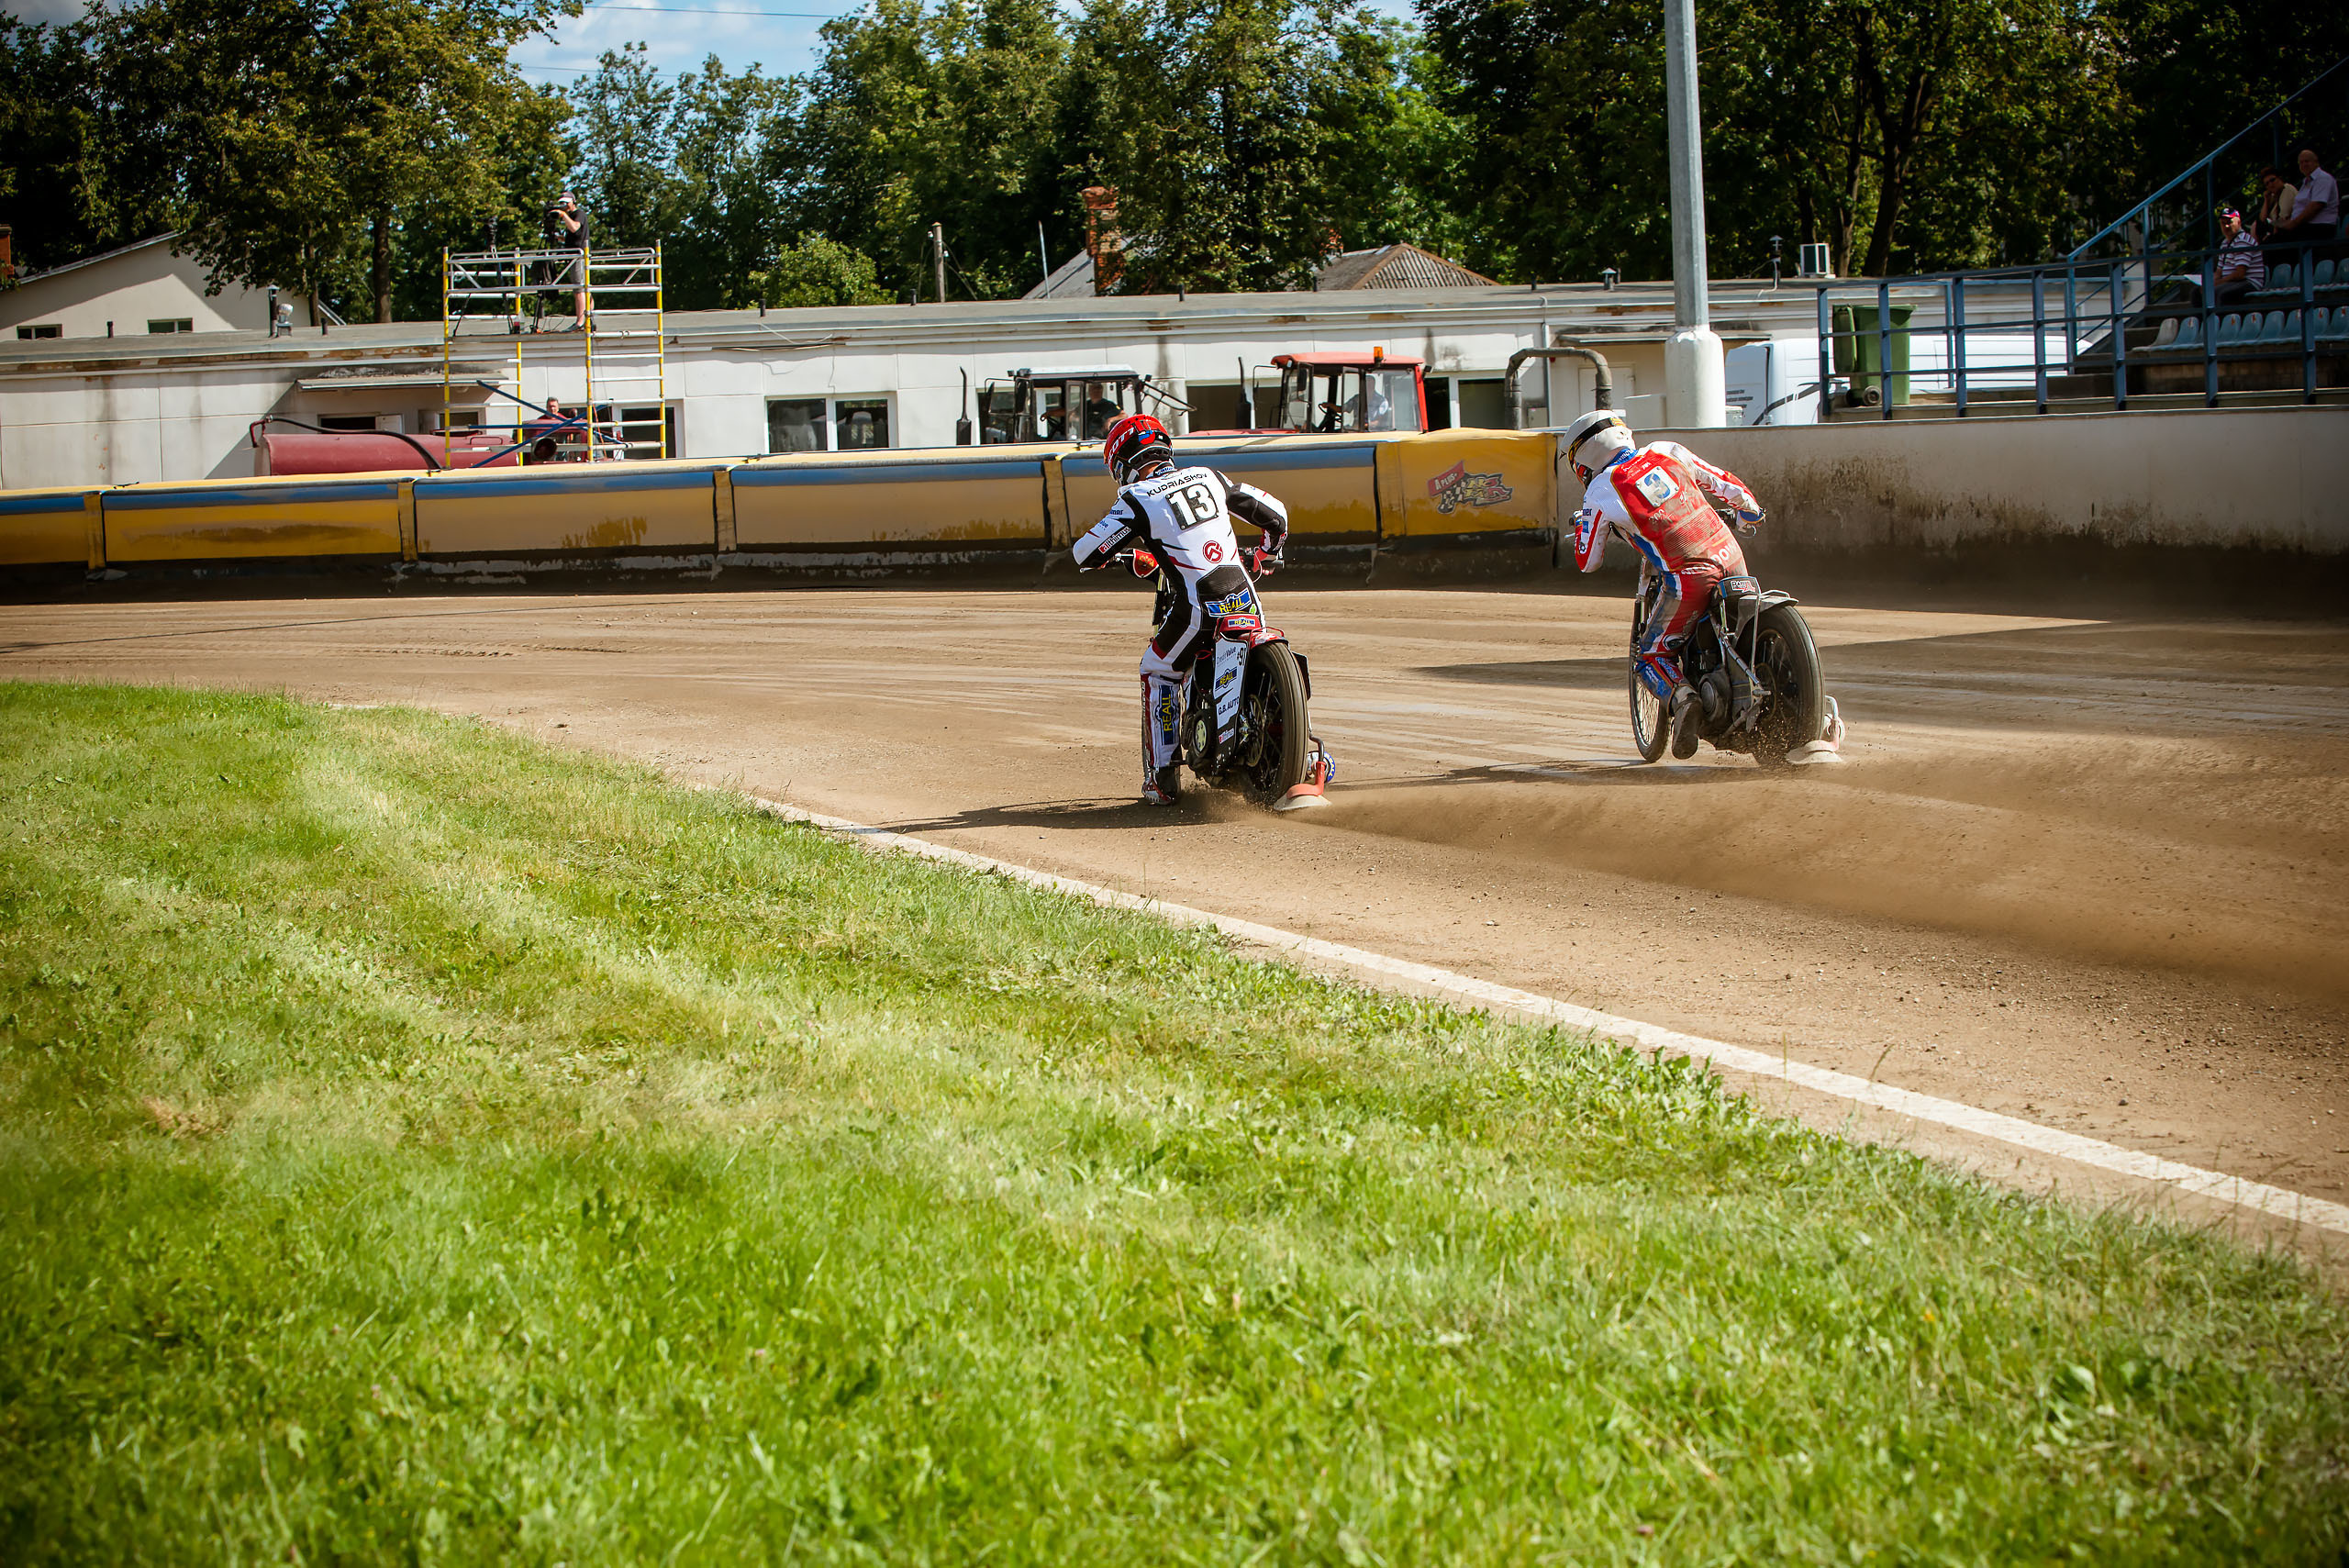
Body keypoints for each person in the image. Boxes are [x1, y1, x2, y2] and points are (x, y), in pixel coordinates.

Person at [1072, 413, 1290, 806]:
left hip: (1197, 606)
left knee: (1156, 669)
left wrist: (1114, 552)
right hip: (1245, 596)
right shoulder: (1209, 476)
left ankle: (1161, 780)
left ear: (1122, 465)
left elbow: (1085, 552)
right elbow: (1277, 515)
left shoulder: (1136, 498)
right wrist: (1265, 555)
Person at [1561, 408, 1765, 759]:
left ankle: (1685, 699)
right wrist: (1750, 514)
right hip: (1732, 555)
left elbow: (1588, 561)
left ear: (1582, 461)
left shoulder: (1600, 488)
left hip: (1688, 576)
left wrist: (1587, 524)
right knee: (1745, 631)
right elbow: (1724, 483)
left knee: (1650, 656)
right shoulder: (1667, 450)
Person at [2275, 147, 2339, 252]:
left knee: (2276, 243)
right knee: (2272, 239)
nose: (2303, 165)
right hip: (2304, 227)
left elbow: (2316, 206)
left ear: (2316, 162)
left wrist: (2293, 224)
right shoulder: (2306, 182)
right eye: (2301, 163)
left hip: (2319, 228)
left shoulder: (2323, 178)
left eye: (2307, 161)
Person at [544, 192, 591, 328]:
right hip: (573, 254)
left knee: (579, 288)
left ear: (573, 201)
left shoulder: (579, 214)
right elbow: (575, 236)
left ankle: (580, 322)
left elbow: (575, 227)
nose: (565, 206)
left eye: (566, 203)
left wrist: (563, 216)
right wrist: (559, 238)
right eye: (562, 203)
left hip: (579, 256)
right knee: (584, 288)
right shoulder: (571, 216)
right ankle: (589, 317)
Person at [2206, 206, 2265, 306]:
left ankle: (2222, 321)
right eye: (2223, 224)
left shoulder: (2243, 240)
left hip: (2248, 282)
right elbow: (2219, 271)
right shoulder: (2224, 244)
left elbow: (2240, 273)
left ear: (2238, 222)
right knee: (2198, 292)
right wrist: (2208, 283)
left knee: (2222, 293)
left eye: (2230, 222)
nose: (2227, 226)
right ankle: (2204, 321)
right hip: (2231, 282)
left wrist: (2218, 283)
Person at [2254, 165, 2299, 246]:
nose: (2270, 185)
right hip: (2281, 234)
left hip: (2292, 233)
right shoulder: (2275, 197)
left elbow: (2283, 218)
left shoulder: (2287, 190)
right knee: (2256, 226)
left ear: (2279, 178)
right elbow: (2262, 219)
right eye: (2267, 184)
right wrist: (2266, 200)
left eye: (2272, 180)